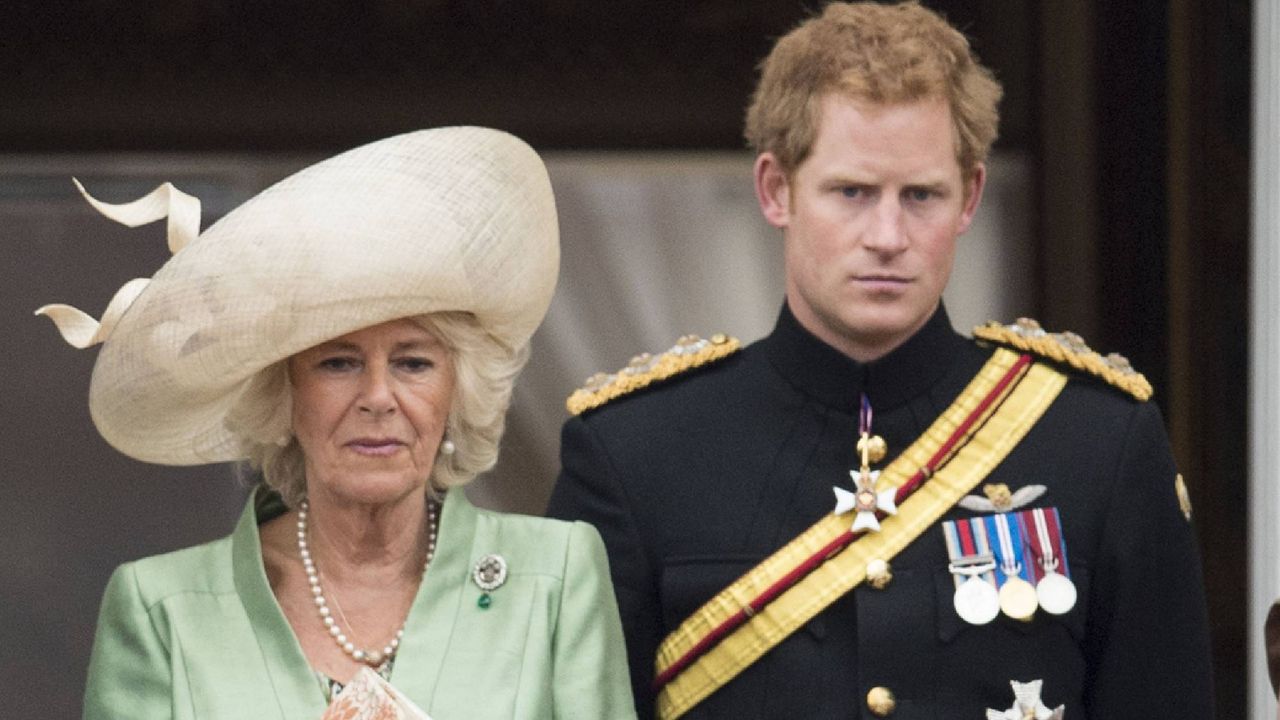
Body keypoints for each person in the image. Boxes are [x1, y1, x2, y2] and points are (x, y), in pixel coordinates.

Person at [546, 2, 1214, 719]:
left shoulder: (1099, 444)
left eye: (921, 195)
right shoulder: (635, 453)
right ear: (777, 190)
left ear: (971, 198)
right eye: (853, 193)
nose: (888, 235)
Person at [39, 127, 636, 719]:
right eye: (338, 363)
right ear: (285, 395)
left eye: (413, 362)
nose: (378, 397)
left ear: (457, 390)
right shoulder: (160, 608)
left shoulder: (556, 574)